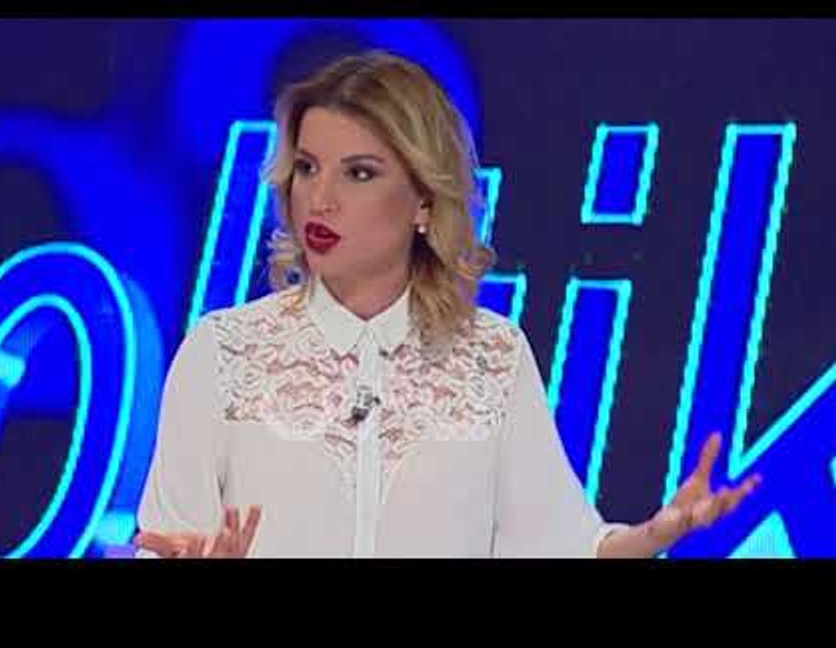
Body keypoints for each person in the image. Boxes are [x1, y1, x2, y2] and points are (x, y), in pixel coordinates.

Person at [133, 50, 760, 558]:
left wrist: (653, 535)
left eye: (358, 173)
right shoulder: (223, 352)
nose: (319, 199)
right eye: (307, 168)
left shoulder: (491, 355)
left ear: (425, 201)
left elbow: (561, 544)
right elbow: (164, 543)